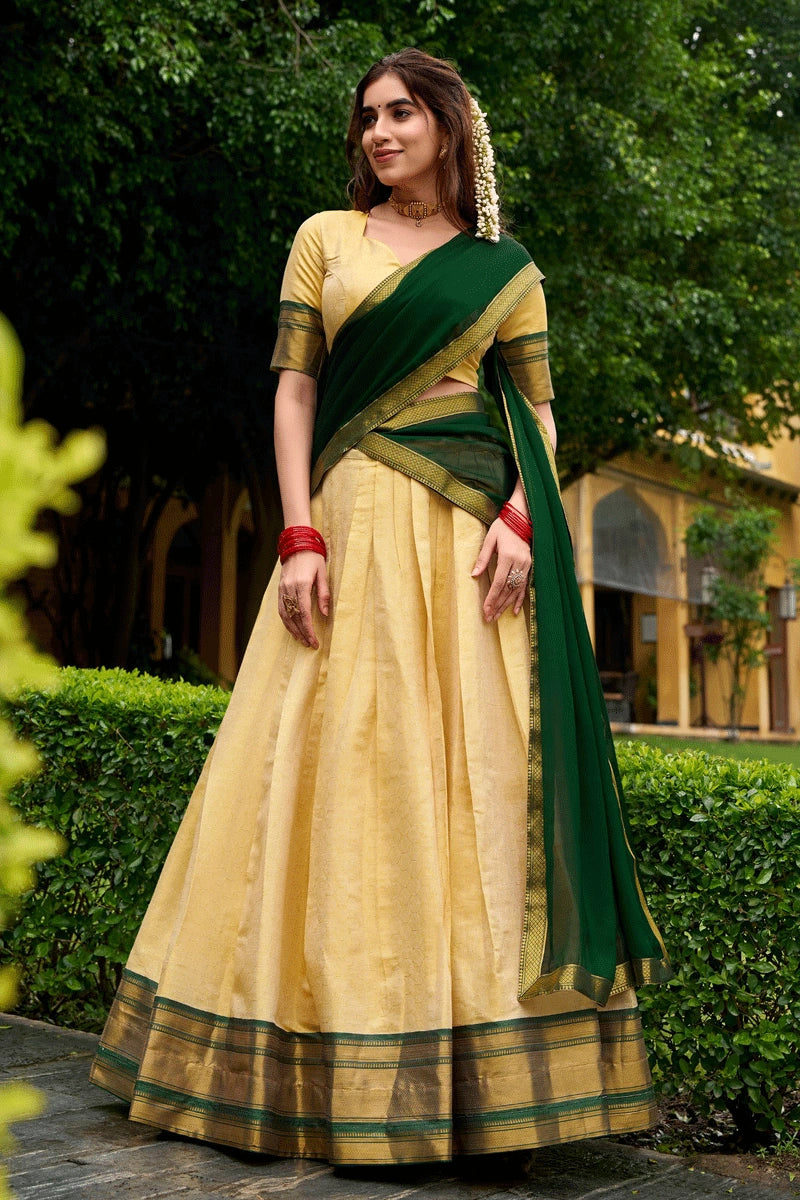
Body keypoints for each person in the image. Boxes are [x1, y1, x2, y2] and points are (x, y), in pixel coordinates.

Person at [90, 48, 671, 1166]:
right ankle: (291, 1066)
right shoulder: (327, 238)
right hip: (348, 527)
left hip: (468, 545)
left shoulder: (505, 270)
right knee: (324, 766)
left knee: (473, 784)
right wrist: (296, 533)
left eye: (401, 113)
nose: (379, 133)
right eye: (367, 118)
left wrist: (520, 519)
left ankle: (483, 1086)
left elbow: (539, 415)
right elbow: (296, 390)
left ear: (448, 125)